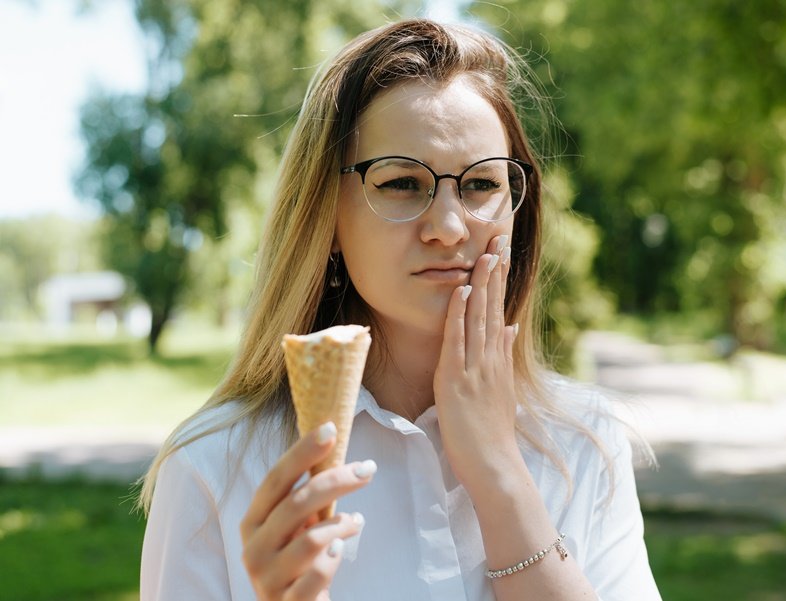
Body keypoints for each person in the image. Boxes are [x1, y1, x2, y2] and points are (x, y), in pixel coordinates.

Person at [139, 17, 661, 601]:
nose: (448, 226)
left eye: (482, 184)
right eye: (401, 184)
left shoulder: (587, 441)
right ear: (327, 216)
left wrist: (499, 477)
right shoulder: (216, 467)